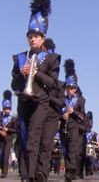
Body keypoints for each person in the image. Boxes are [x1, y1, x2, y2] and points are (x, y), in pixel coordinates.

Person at [11, 0, 60, 181]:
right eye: (30, 36)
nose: (33, 39)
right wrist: (21, 75)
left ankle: (32, 176)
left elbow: (53, 83)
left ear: (43, 38)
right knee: (23, 140)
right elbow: (14, 85)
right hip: (23, 102)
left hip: (41, 102)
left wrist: (35, 73)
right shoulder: (19, 58)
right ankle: (26, 173)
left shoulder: (51, 59)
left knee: (34, 140)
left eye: (36, 36)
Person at [37, 38, 64, 181]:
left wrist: (48, 97)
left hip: (52, 115)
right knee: (36, 141)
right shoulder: (37, 78)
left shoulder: (59, 85)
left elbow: (61, 103)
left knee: (46, 143)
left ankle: (42, 172)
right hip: (37, 110)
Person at [61, 59, 86, 182]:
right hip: (63, 127)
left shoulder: (81, 100)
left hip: (74, 126)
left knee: (72, 149)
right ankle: (69, 169)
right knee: (65, 150)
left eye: (72, 88)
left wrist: (73, 112)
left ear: (75, 88)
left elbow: (83, 115)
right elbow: (56, 111)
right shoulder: (62, 99)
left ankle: (70, 172)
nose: (70, 90)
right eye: (68, 88)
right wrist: (63, 115)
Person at [0, 90, 18, 178]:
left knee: (6, 155)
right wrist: (0, 131)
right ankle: (2, 168)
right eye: (5, 109)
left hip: (9, 139)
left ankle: (4, 173)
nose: (7, 110)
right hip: (0, 139)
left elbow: (15, 130)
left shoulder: (13, 119)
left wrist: (8, 129)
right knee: (1, 155)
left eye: (8, 109)